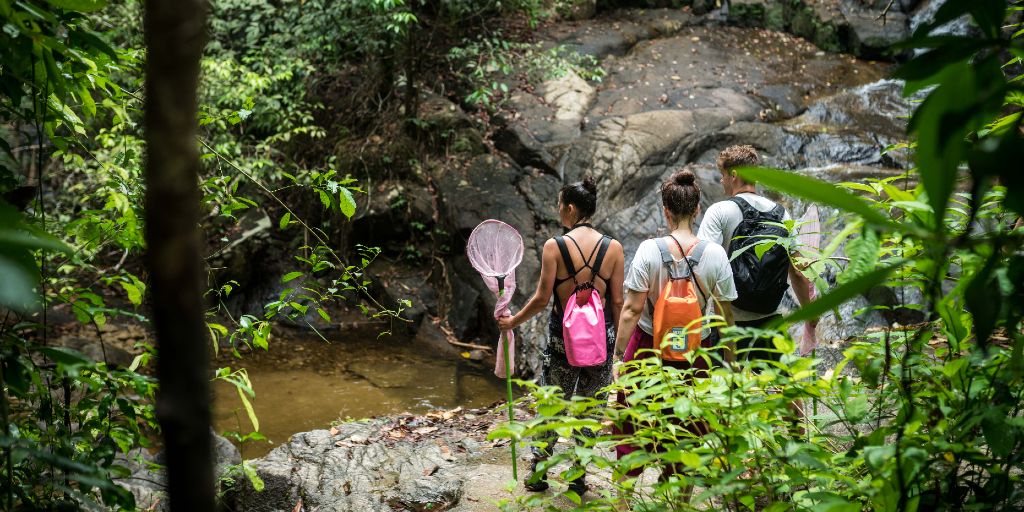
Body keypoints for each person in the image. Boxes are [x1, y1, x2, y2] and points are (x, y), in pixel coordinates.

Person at [612, 169, 737, 504]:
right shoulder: (715, 255)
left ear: (664, 210)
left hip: (646, 350)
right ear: (697, 210)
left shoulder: (648, 251)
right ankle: (678, 504)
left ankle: (624, 501)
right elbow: (725, 316)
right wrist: (732, 363)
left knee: (632, 427)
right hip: (699, 353)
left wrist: (617, 356)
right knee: (689, 429)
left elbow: (631, 310)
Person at [497, 175, 625, 495]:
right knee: (591, 406)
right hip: (600, 340)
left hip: (562, 340)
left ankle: (539, 470)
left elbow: (542, 299)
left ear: (570, 208)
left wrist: (513, 322)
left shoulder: (555, 246)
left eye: (559, 206)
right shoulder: (614, 248)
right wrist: (618, 345)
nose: (559, 212)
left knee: (552, 403)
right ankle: (578, 474)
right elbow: (619, 302)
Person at [696, 145, 816, 426]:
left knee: (722, 385)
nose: (722, 181)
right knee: (784, 382)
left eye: (723, 175)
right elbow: (798, 272)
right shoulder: (783, 215)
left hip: (728, 319)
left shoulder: (720, 211)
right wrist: (811, 311)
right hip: (769, 317)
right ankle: (798, 441)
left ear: (735, 174)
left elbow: (703, 265)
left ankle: (724, 452)